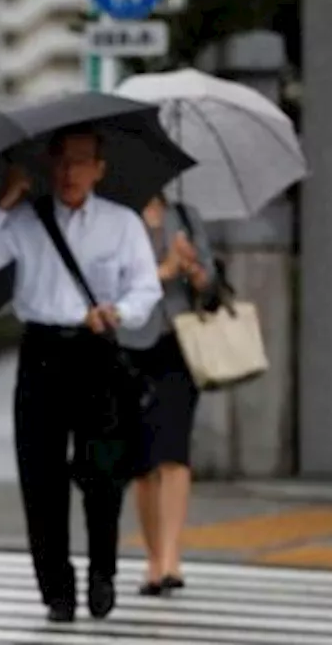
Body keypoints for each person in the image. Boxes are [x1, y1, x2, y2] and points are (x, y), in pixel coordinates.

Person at [0, 125, 162, 623]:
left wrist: (118, 313)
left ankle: (102, 573)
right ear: (51, 166)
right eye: (63, 162)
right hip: (41, 352)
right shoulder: (26, 219)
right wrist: (5, 203)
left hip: (97, 353)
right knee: (41, 476)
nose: (71, 172)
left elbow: (146, 287)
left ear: (99, 168)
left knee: (103, 472)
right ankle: (57, 590)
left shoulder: (121, 223)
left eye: (81, 161)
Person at [120, 194, 214, 596]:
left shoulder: (186, 214)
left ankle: (172, 559)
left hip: (179, 343)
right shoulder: (118, 217)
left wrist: (193, 269)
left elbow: (209, 282)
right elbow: (110, 283)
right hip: (130, 346)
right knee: (142, 464)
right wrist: (164, 270)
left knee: (174, 452)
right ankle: (154, 559)